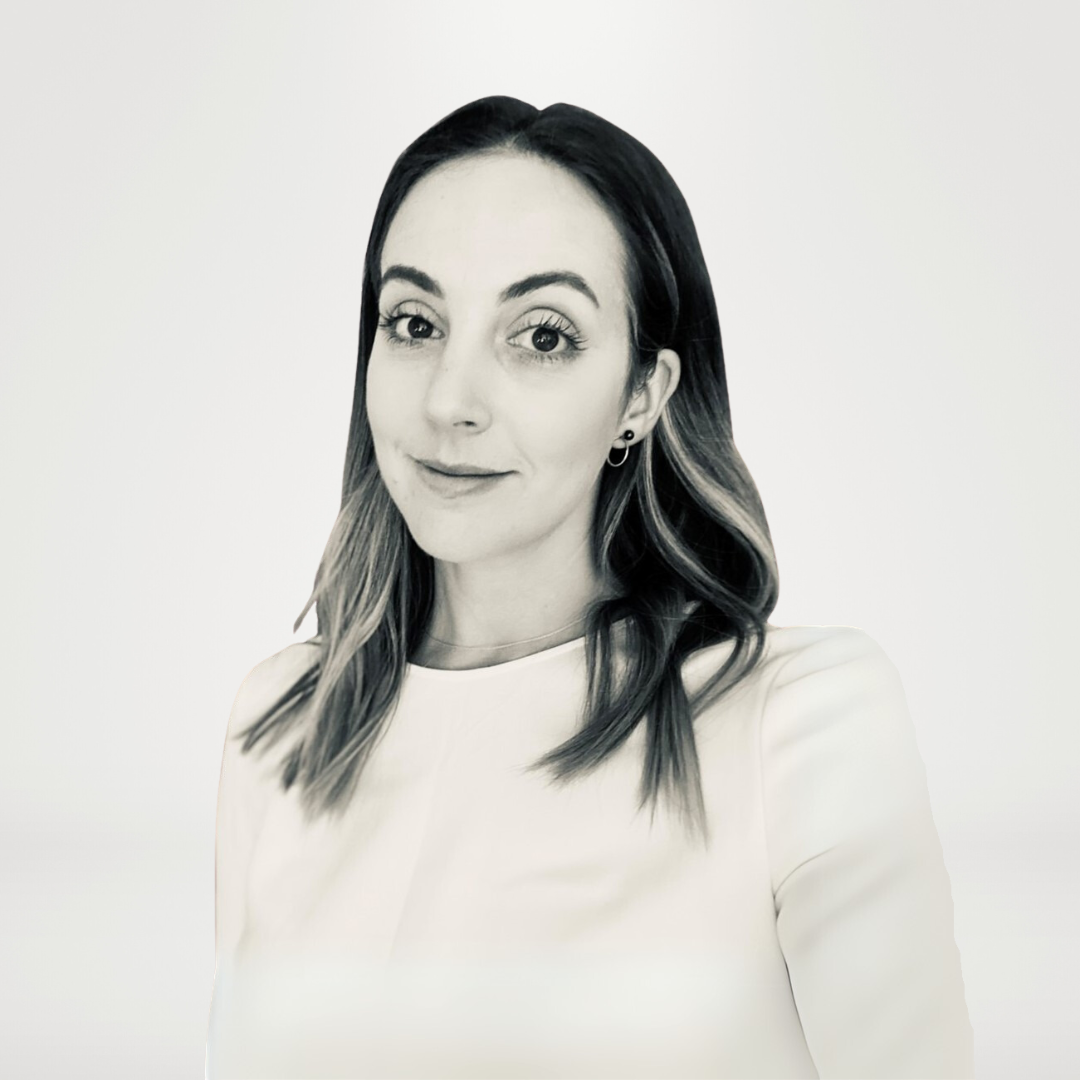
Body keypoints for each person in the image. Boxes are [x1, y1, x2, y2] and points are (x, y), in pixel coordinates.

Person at [205, 96, 975, 1079]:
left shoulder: (802, 724)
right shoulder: (280, 730)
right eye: (414, 322)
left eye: (542, 336)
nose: (450, 401)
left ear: (642, 395)